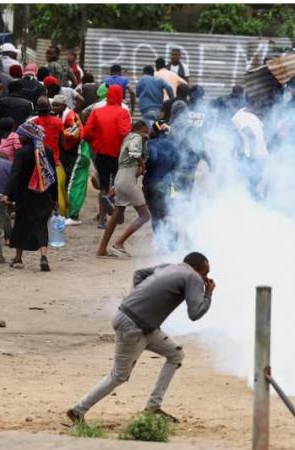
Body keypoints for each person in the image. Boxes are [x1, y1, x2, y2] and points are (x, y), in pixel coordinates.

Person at [67, 252, 215, 423]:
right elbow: (195, 314)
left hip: (142, 325)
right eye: (205, 273)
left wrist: (141, 302)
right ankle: (78, 410)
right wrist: (208, 294)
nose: (206, 278)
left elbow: (139, 274)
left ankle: (153, 407)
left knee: (175, 355)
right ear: (197, 268)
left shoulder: (170, 266)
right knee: (119, 376)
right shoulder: (193, 277)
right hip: (134, 326)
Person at [3, 121, 58, 272]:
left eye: (20, 135)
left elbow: (14, 175)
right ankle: (43, 257)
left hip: (25, 196)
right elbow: (53, 177)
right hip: (44, 195)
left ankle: (18, 258)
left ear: (26, 136)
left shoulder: (22, 153)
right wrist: (55, 199)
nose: (18, 138)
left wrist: (7, 194)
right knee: (41, 226)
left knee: (21, 224)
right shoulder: (47, 151)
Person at [97, 121, 150, 258]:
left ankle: (102, 249)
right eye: (144, 132)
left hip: (120, 177)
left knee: (115, 217)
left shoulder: (127, 137)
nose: (146, 135)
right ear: (138, 130)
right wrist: (142, 163)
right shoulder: (135, 138)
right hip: (127, 180)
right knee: (145, 216)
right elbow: (133, 151)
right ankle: (119, 244)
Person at [82, 85, 132, 229]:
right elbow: (125, 133)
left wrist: (95, 143)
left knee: (103, 186)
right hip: (118, 154)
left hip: (101, 153)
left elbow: (86, 133)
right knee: (119, 185)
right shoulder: (123, 111)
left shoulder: (97, 111)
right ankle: (116, 213)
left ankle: (101, 220)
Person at [30, 97, 67, 217]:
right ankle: (54, 212)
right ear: (49, 109)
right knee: (56, 188)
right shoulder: (57, 122)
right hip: (55, 161)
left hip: (37, 162)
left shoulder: (33, 122)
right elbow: (63, 144)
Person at [143, 120, 177, 243]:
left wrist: (144, 166)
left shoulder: (150, 144)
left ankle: (160, 243)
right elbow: (176, 164)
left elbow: (152, 159)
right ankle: (172, 243)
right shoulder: (173, 145)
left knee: (155, 216)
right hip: (166, 184)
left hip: (150, 183)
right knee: (167, 214)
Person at [52, 95, 83, 225]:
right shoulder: (60, 115)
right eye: (53, 105)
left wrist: (60, 132)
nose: (54, 108)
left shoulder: (70, 116)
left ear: (64, 106)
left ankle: (70, 211)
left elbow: (75, 133)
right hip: (64, 151)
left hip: (71, 152)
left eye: (57, 105)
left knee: (69, 179)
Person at [232, 100, 269, 196]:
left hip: (255, 155)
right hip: (259, 155)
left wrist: (252, 154)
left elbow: (251, 135)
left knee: (251, 184)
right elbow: (253, 135)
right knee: (252, 183)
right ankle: (255, 204)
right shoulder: (246, 117)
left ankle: (253, 204)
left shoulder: (242, 117)